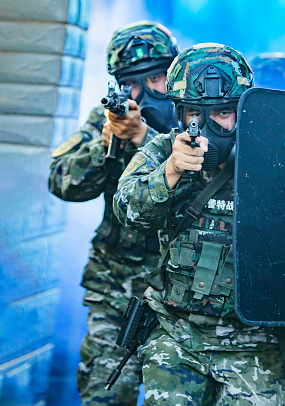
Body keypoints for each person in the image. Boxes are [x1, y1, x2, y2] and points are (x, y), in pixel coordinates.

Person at [113, 43, 285, 405]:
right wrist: (170, 171)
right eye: (195, 112)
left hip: (253, 342)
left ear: (244, 110)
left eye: (223, 112)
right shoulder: (162, 150)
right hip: (176, 334)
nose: (209, 124)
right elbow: (127, 210)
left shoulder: (274, 155)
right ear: (180, 113)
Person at [48, 21, 178, 406]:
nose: (145, 92)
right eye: (132, 83)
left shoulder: (199, 116)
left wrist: (145, 141)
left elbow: (211, 185)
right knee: (104, 395)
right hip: (116, 285)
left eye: (156, 78)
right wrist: (105, 147)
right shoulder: (107, 119)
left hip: (181, 296)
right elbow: (61, 181)